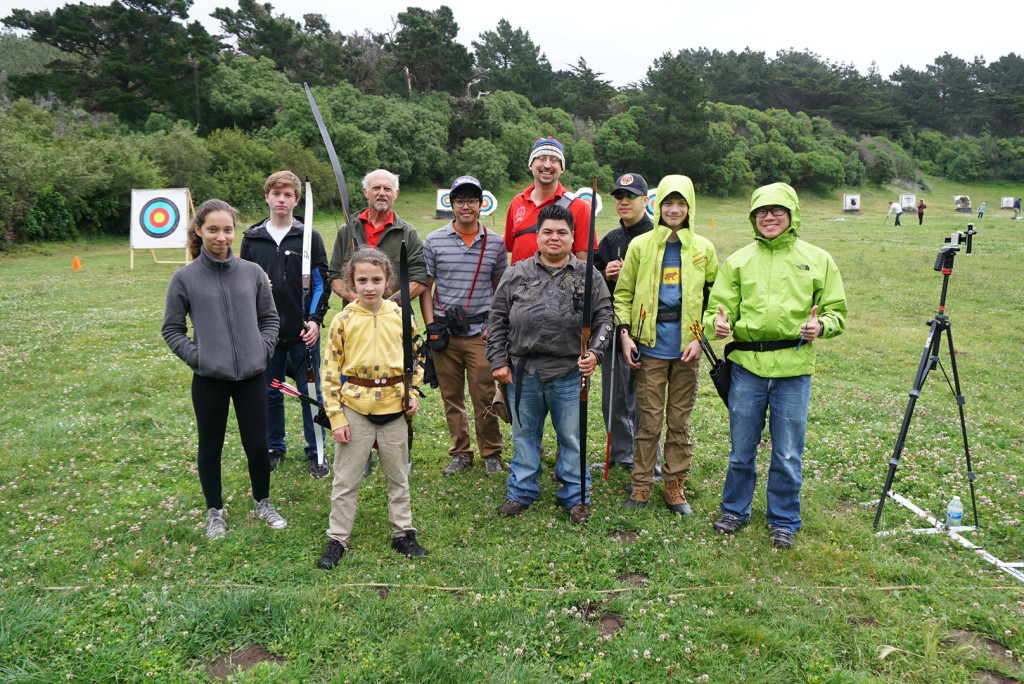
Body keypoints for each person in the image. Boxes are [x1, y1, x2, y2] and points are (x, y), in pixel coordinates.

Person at [704, 182, 847, 549]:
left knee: (787, 452)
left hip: (794, 371)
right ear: (753, 217)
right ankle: (734, 510)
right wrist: (716, 325)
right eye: (761, 212)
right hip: (746, 369)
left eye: (777, 210)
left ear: (792, 214)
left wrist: (821, 327)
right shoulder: (737, 261)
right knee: (741, 449)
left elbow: (836, 313)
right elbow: (715, 311)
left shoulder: (818, 259)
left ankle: (784, 518)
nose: (769, 217)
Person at [162, 199, 286, 540]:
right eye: (212, 229)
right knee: (210, 446)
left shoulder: (252, 273)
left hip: (251, 376)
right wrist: (199, 358)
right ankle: (214, 512)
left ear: (234, 231)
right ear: (199, 231)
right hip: (209, 379)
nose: (221, 236)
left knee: (258, 445)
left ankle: (263, 502)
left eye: (227, 229)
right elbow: (172, 329)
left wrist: (261, 350)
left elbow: (270, 318)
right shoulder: (184, 278)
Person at [487, 204, 613, 524]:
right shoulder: (516, 274)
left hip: (569, 371)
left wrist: (595, 353)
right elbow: (498, 318)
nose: (554, 238)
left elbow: (605, 317)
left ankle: (575, 496)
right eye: (548, 232)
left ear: (573, 237)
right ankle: (521, 491)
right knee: (524, 434)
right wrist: (499, 361)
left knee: (571, 437)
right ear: (537, 235)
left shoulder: (589, 276)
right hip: (522, 370)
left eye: (562, 232)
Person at [316, 248, 427, 569]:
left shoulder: (401, 315)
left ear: (387, 280)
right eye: (361, 280)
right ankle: (338, 537)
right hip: (354, 409)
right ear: (351, 282)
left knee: (398, 476)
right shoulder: (343, 320)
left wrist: (413, 392)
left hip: (394, 407)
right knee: (346, 480)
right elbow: (330, 371)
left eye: (376, 280)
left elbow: (416, 357)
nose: (369, 287)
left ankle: (403, 532)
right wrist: (336, 417)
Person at [614, 175, 718, 514]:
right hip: (650, 348)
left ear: (690, 207)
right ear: (658, 206)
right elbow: (624, 293)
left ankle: (674, 485)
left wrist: (701, 339)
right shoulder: (641, 246)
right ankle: (642, 485)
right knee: (649, 421)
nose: (674, 210)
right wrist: (625, 332)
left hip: (687, 349)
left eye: (681, 203)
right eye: (668, 203)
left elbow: (717, 299)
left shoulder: (703, 249)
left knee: (679, 421)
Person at [240, 171, 331, 478]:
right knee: (269, 392)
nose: (282, 199)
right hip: (265, 334)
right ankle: (273, 447)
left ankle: (316, 450)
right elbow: (243, 284)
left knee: (311, 393)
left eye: (288, 194)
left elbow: (320, 283)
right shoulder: (252, 238)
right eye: (276, 193)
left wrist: (315, 320)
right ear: (267, 196)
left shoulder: (309, 237)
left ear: (296, 200)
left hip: (303, 332)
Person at [422, 176, 508, 477]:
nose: (466, 206)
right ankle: (460, 452)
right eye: (460, 200)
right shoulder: (433, 240)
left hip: (480, 333)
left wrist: (493, 327)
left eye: (472, 200)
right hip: (445, 333)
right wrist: (431, 326)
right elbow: (426, 288)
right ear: (452, 204)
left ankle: (491, 452)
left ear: (482, 204)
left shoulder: (496, 243)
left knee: (484, 395)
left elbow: (500, 290)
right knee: (451, 396)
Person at [594, 173, 654, 470]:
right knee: (614, 397)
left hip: (649, 330)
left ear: (646, 200)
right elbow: (593, 285)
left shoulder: (660, 237)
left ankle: (647, 460)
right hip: (615, 328)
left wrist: (631, 275)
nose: (624, 201)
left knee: (645, 401)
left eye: (631, 196)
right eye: (619, 196)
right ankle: (621, 454)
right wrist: (606, 276)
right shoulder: (610, 240)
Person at [326, 169, 428, 304]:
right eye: (375, 188)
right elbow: (334, 275)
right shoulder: (347, 230)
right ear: (365, 192)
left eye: (387, 189)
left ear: (396, 194)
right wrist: (356, 300)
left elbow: (419, 279)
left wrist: (388, 305)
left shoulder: (409, 233)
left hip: (395, 317)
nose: (381, 193)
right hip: (356, 317)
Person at [505, 137, 595, 264]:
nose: (547, 165)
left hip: (560, 283)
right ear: (531, 165)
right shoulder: (517, 201)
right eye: (541, 158)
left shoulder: (579, 206)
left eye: (554, 160)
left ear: (562, 168)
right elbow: (508, 245)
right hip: (520, 282)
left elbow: (583, 261)